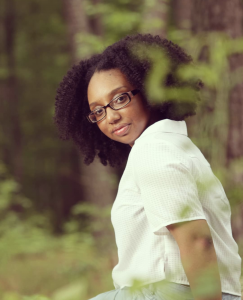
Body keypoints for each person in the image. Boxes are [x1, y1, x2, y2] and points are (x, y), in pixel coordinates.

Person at [54, 34, 242, 300]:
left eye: (119, 99)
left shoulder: (155, 150)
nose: (110, 116)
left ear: (150, 91)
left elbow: (197, 241)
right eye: (98, 111)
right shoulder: (173, 146)